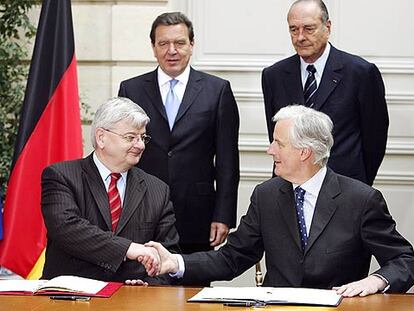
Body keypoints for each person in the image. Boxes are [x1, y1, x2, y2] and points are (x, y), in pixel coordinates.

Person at [142, 105, 414, 297]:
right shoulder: (266, 195)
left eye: (278, 143)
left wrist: (378, 280)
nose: (269, 150)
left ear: (305, 152)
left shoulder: (361, 199)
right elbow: (231, 258)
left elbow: (404, 259)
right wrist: (175, 263)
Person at [118, 12, 240, 254]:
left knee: (192, 287)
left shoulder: (217, 90)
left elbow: (227, 160)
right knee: (140, 286)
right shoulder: (131, 90)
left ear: (192, 45)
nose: (171, 50)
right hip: (141, 211)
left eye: (179, 43)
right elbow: (120, 153)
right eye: (163, 43)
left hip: (198, 215)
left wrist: (223, 215)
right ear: (153, 47)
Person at [41, 97, 180, 283]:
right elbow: (67, 229)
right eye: (131, 137)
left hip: (133, 302)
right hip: (70, 297)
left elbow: (168, 256)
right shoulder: (61, 176)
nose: (140, 145)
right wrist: (128, 248)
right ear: (101, 137)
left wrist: (148, 285)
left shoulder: (157, 189)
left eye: (142, 137)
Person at [262, 0, 388, 186]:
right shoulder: (274, 75)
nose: (300, 37)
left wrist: (358, 185)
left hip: (345, 187)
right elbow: (277, 137)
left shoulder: (360, 73)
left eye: (309, 28)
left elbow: (374, 140)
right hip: (289, 187)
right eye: (294, 29)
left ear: (327, 27)